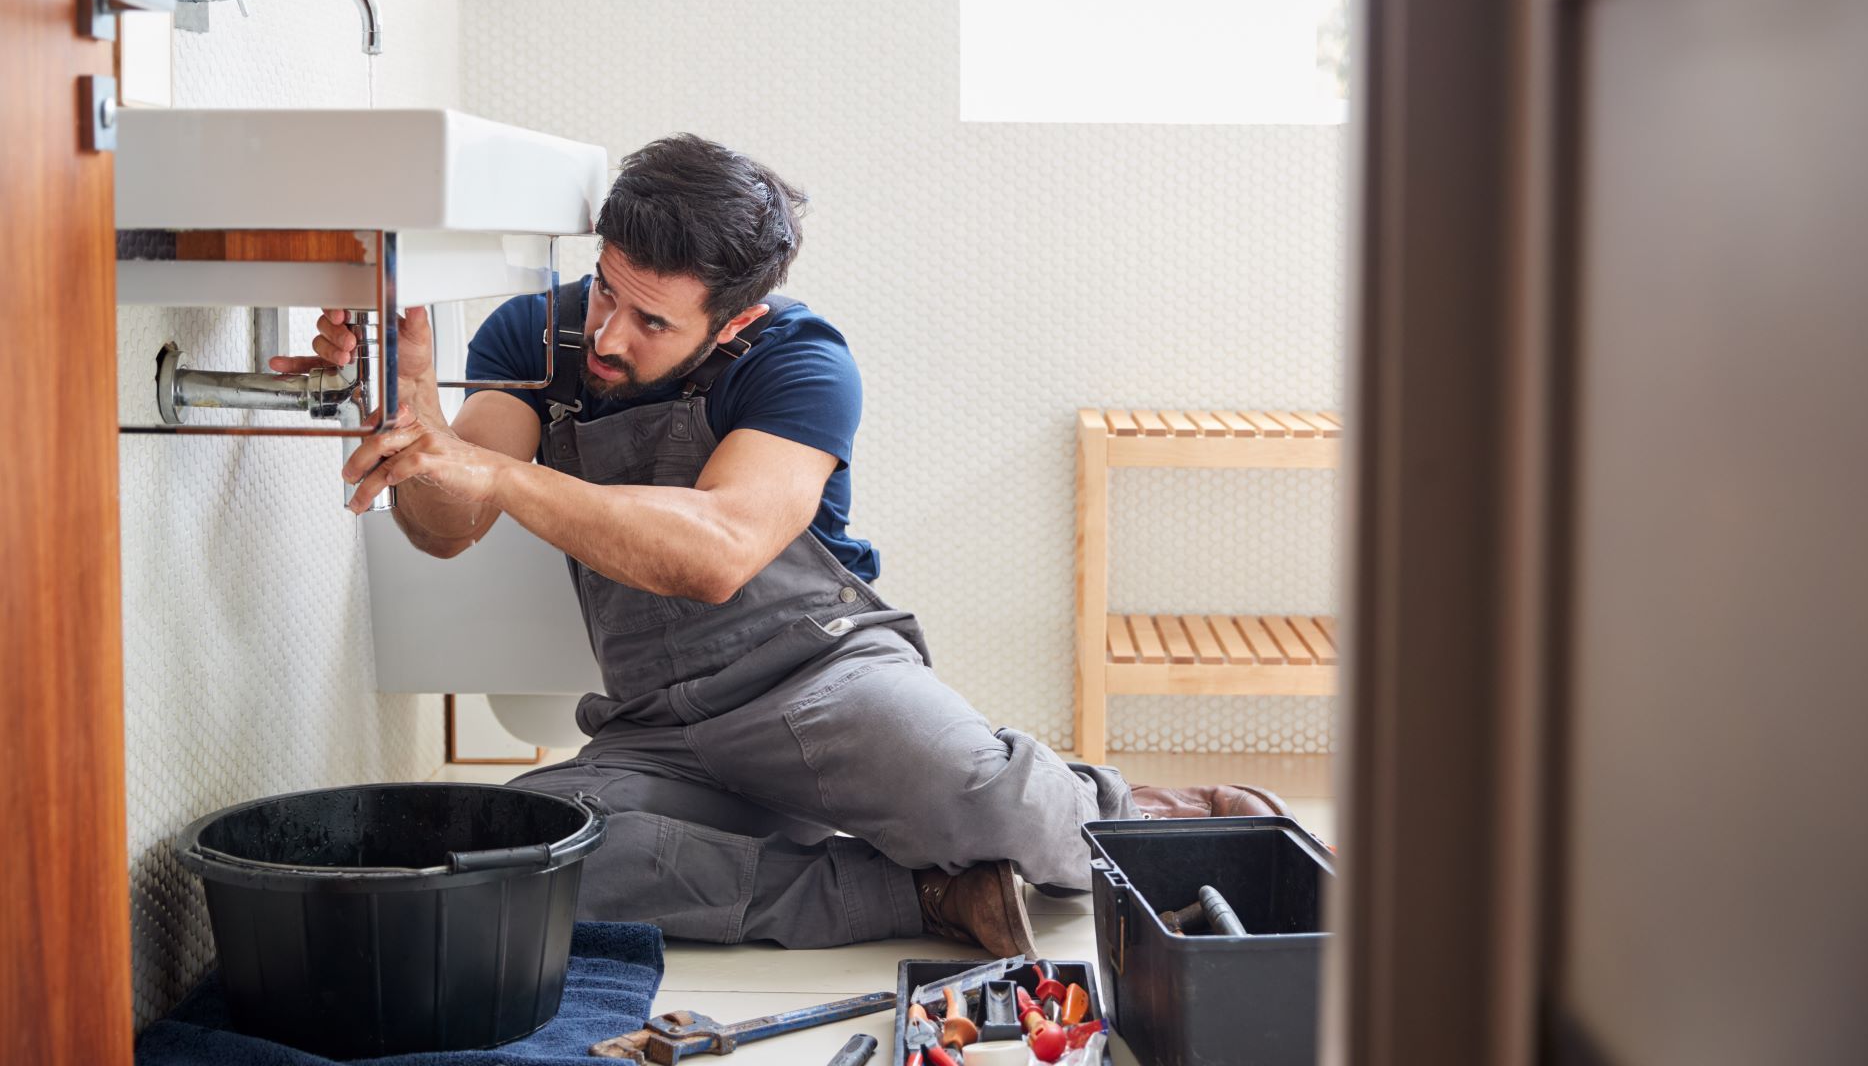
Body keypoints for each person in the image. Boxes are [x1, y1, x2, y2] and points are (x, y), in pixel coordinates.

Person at [282, 134, 1288, 954]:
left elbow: (716, 552)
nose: (609, 336)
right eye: (604, 290)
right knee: (528, 861)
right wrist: (420, 432)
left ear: (736, 319)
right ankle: (924, 897)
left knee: (996, 805)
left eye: (652, 320)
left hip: (823, 681)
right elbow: (448, 529)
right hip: (658, 725)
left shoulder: (802, 360)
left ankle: (1139, 810)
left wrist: (500, 469)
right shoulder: (530, 338)